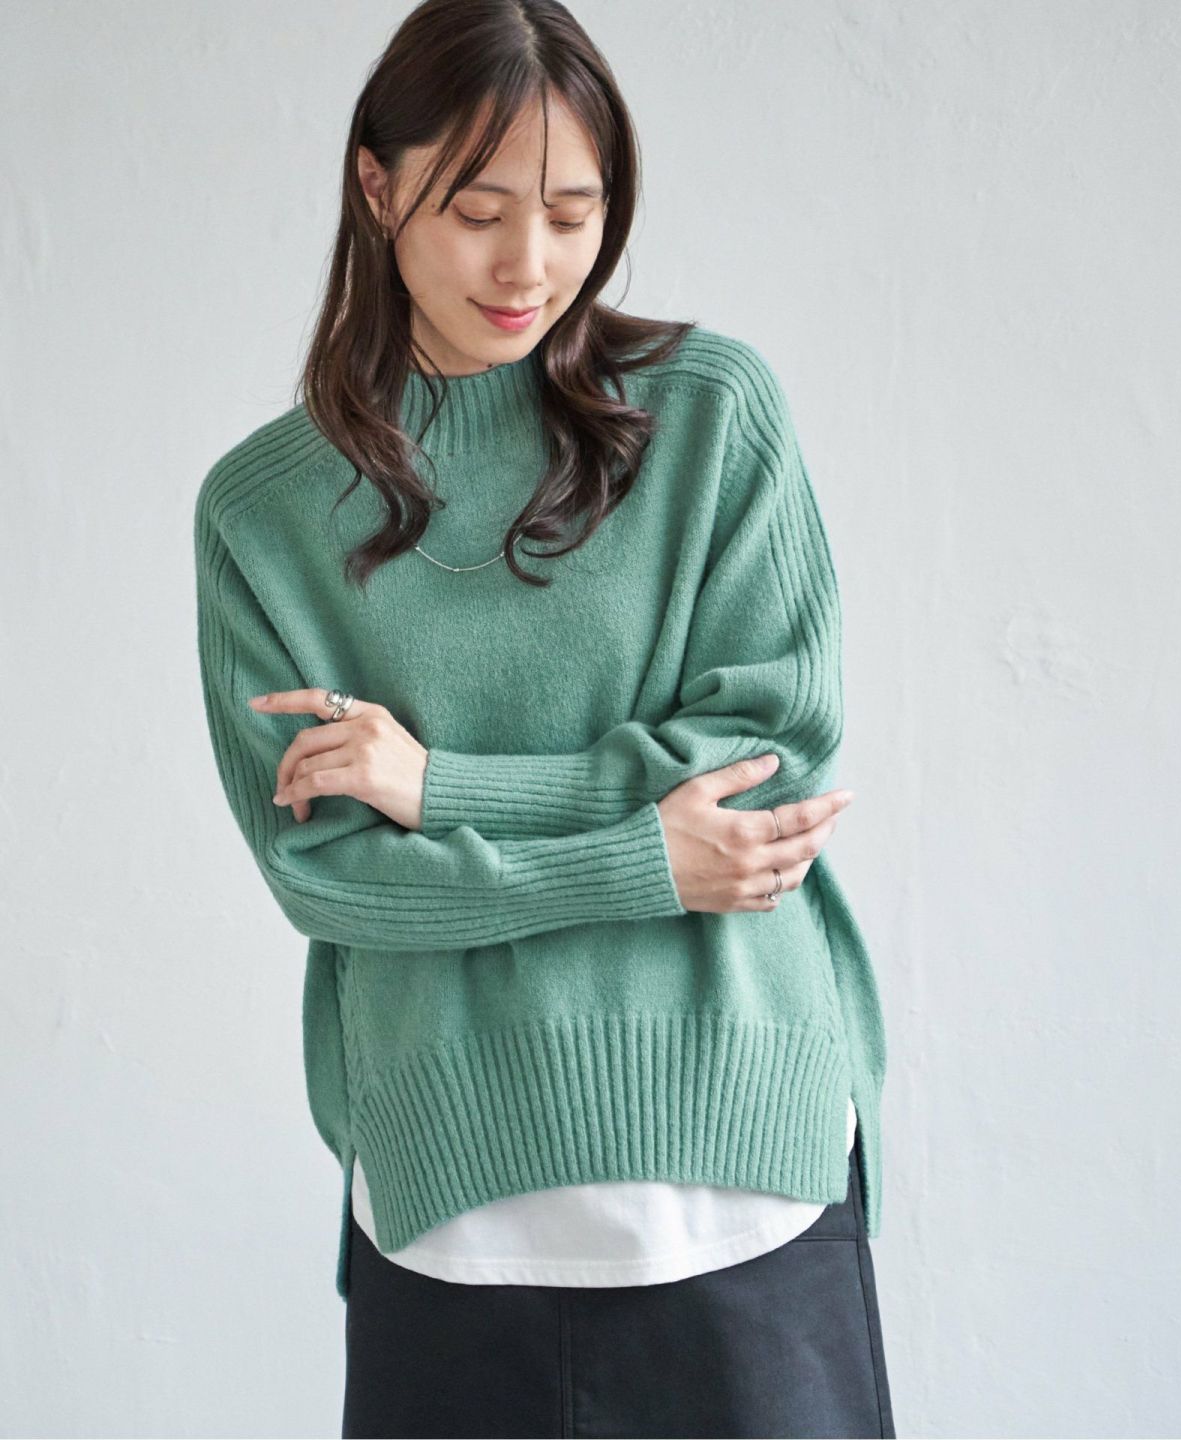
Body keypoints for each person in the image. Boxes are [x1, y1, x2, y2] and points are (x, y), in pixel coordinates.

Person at [193, 1, 894, 1435]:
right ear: (377, 186)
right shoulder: (267, 514)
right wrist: (645, 860)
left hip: (738, 1169)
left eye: (575, 214)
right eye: (479, 211)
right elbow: (329, 876)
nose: (530, 264)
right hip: (451, 1197)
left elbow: (768, 764)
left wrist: (443, 786)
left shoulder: (711, 414)